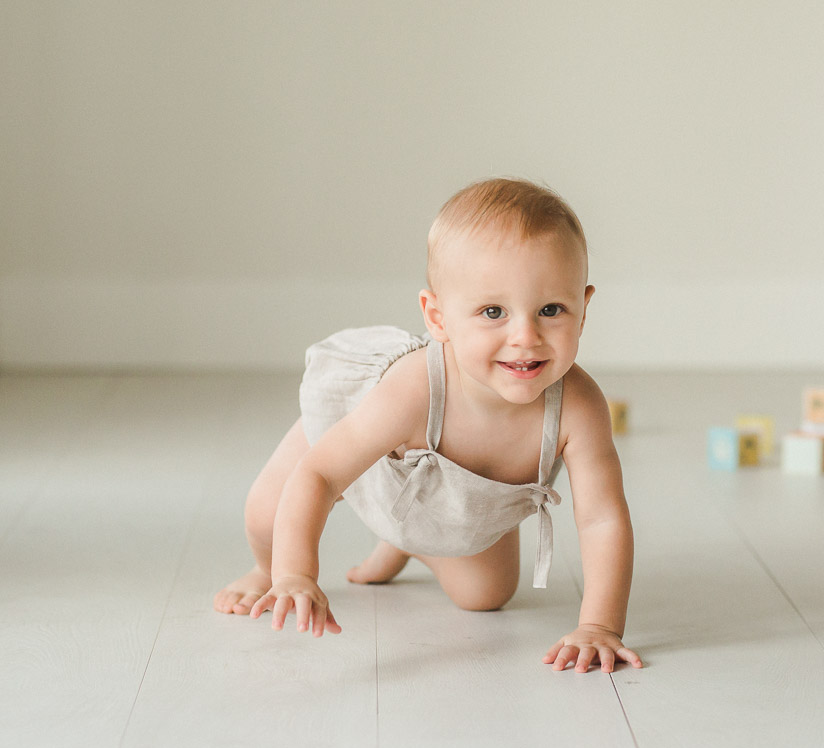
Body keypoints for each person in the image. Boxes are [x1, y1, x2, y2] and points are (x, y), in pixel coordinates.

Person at [213, 178, 642, 674]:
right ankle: (263, 568)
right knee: (269, 512)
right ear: (437, 317)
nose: (525, 336)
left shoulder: (578, 406)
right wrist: (295, 573)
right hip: (361, 453)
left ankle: (407, 541)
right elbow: (320, 475)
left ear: (583, 309)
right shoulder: (415, 387)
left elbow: (603, 519)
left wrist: (600, 626)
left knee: (487, 596)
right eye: (492, 312)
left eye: (550, 310)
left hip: (457, 504)